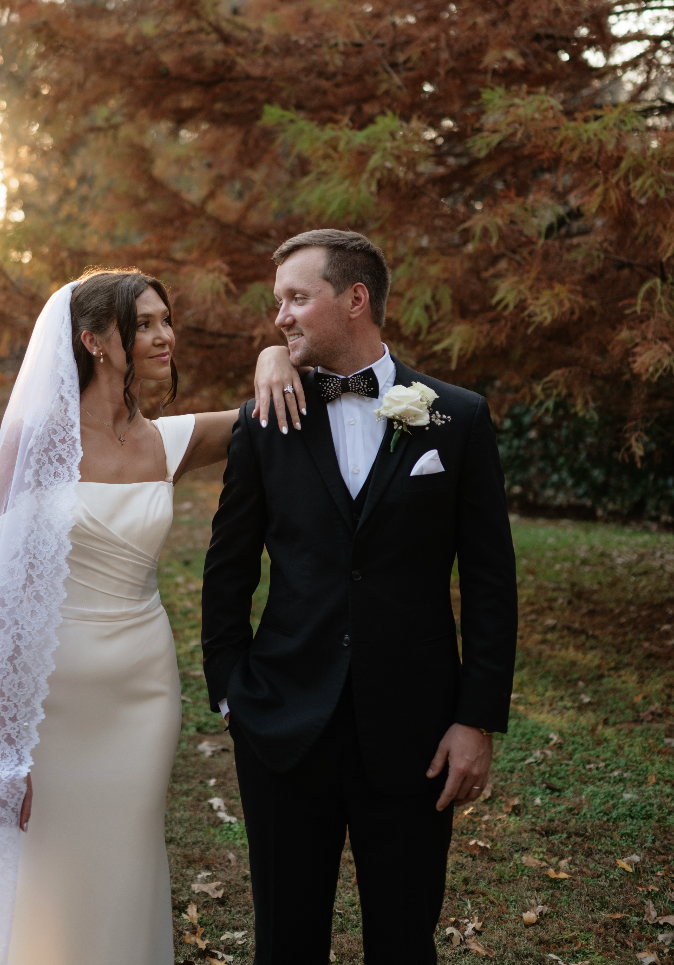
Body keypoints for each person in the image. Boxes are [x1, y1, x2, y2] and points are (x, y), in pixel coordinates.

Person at [0, 269, 303, 965]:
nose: (162, 335)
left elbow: (262, 411)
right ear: (92, 340)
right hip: (52, 699)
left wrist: (273, 354)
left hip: (143, 691)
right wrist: (1, 748)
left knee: (125, 855)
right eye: (141, 324)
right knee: (48, 869)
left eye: (163, 320)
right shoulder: (34, 442)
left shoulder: (165, 443)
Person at [201, 229, 518, 964]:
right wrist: (231, 692)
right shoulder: (263, 419)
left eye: (295, 298)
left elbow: (490, 579)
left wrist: (476, 718)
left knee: (404, 939)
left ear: (354, 299)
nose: (279, 316)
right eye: (276, 300)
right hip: (282, 725)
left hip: (415, 732)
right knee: (285, 938)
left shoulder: (456, 417)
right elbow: (227, 568)